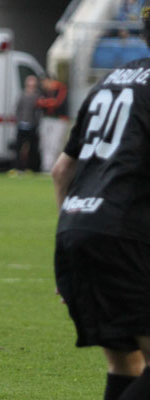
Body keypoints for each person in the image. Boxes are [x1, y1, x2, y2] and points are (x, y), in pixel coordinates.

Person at [51, 4, 150, 398]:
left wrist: (71, 237)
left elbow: (61, 170)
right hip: (126, 235)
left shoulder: (111, 81)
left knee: (126, 364)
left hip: (76, 229)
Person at [9, 75, 41, 174]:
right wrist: (19, 121)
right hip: (22, 124)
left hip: (32, 125)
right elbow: (17, 109)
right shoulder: (22, 95)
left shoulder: (37, 96)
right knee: (19, 147)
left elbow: (38, 111)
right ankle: (18, 168)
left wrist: (36, 122)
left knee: (32, 148)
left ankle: (31, 168)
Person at [37, 75, 69, 173]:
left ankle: (53, 168)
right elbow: (38, 102)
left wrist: (46, 102)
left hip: (58, 120)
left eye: (45, 82)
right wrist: (48, 102)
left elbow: (57, 102)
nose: (44, 85)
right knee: (44, 144)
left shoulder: (61, 88)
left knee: (55, 144)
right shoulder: (44, 91)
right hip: (46, 119)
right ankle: (46, 167)